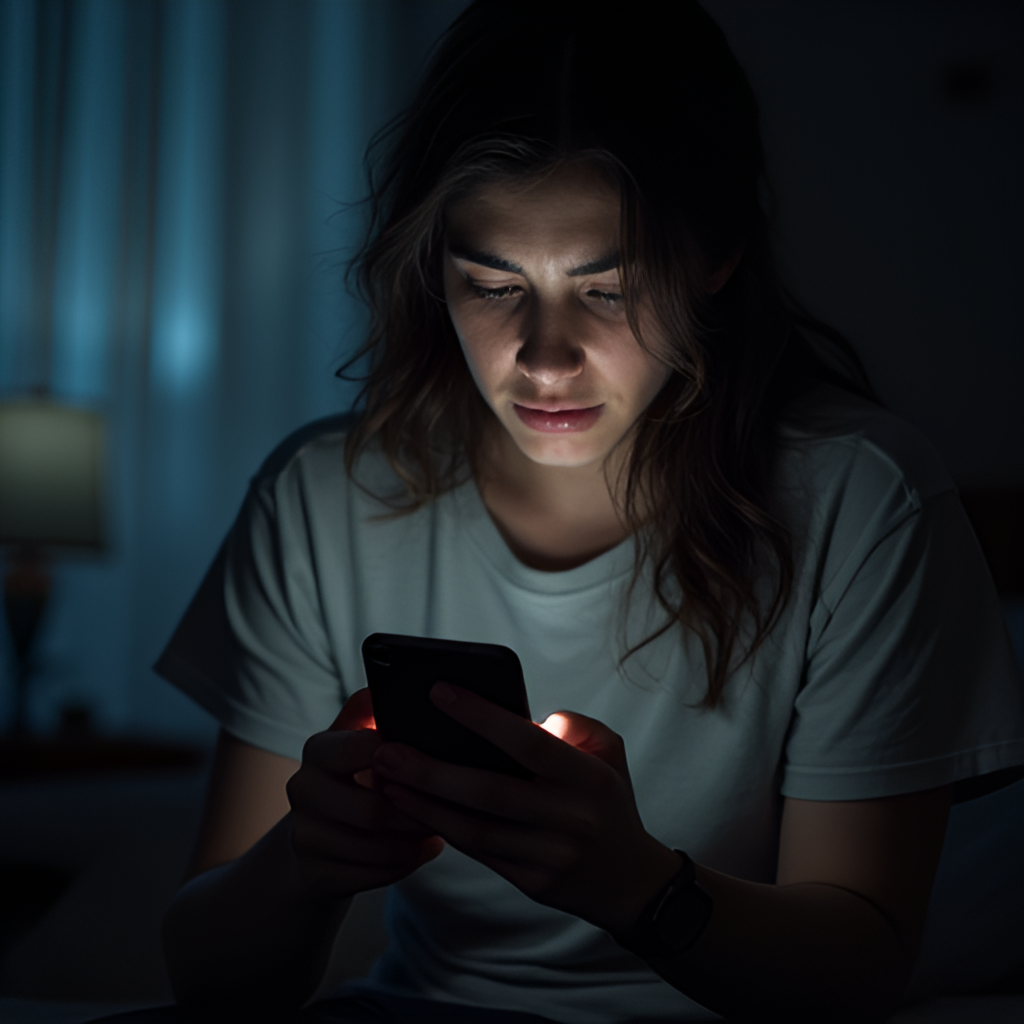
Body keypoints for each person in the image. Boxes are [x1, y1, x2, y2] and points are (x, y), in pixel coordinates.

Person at [155, 3, 1023, 1022]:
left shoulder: (862, 498)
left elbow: (856, 968)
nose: (545, 355)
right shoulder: (322, 498)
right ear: (432, 266)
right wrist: (301, 861)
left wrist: (639, 887)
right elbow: (208, 980)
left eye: (607, 289)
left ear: (714, 258)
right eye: (492, 283)